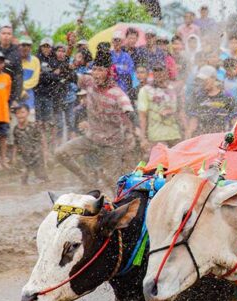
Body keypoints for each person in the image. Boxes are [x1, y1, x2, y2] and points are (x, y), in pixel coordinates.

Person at [54, 49, 138, 187]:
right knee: (60, 153)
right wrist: (70, 50)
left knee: (112, 183)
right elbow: (66, 73)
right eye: (94, 70)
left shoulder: (117, 93)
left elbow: (130, 112)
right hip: (90, 139)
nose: (96, 74)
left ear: (108, 72)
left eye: (100, 70)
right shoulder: (88, 82)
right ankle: (88, 181)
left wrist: (138, 129)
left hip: (111, 145)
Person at [137, 64, 185, 148]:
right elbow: (142, 116)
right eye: (155, 71)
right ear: (152, 74)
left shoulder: (173, 89)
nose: (158, 74)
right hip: (157, 136)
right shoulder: (145, 90)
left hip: (174, 134)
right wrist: (143, 138)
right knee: (160, 160)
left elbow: (180, 111)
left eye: (161, 71)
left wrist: (186, 130)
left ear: (166, 73)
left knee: (178, 160)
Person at [186, 65, 237, 137]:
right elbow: (194, 119)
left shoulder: (226, 96)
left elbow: (234, 119)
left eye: (205, 79)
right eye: (201, 80)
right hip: (203, 137)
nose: (203, 82)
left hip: (221, 137)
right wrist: (189, 133)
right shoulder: (198, 97)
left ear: (213, 78)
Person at [11, 105, 48, 184]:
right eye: (17, 113)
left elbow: (42, 139)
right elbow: (16, 144)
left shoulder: (34, 126)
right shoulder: (16, 129)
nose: (20, 115)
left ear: (28, 113)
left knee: (42, 179)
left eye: (22, 112)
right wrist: (14, 157)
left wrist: (45, 153)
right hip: (25, 158)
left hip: (37, 156)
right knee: (23, 179)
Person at [0, 26, 23, 107]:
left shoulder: (16, 53)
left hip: (9, 93)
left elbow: (19, 76)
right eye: (4, 33)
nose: (6, 36)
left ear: (12, 36)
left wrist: (16, 99)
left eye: (8, 33)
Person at [0, 52, 12, 170]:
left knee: (4, 137)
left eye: (1, 62)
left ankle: (3, 159)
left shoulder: (7, 77)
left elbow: (7, 95)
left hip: (4, 112)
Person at [110, 30, 135, 94]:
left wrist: (115, 69)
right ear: (112, 42)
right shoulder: (108, 55)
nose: (117, 42)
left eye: (119, 40)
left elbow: (130, 70)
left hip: (124, 86)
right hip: (111, 85)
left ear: (122, 42)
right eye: (115, 40)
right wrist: (122, 68)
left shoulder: (126, 56)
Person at [19, 36, 40, 113]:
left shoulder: (35, 60)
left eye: (28, 45)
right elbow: (11, 79)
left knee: (30, 122)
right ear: (19, 46)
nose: (26, 48)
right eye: (23, 45)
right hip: (15, 97)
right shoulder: (14, 60)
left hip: (29, 98)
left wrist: (20, 88)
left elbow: (34, 80)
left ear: (31, 47)